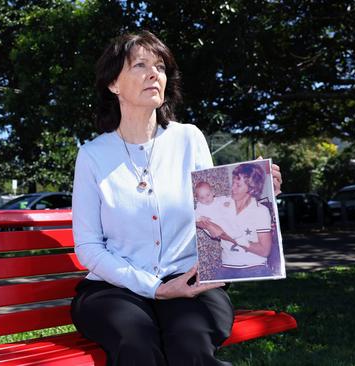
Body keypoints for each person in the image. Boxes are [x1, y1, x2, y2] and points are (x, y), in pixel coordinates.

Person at [70, 30, 282, 365]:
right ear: (113, 84)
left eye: (160, 66)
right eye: (140, 65)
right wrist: (153, 288)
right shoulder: (94, 156)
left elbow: (217, 216)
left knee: (190, 342)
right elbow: (88, 247)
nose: (154, 73)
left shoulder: (189, 139)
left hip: (190, 281)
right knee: (136, 342)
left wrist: (257, 194)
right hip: (115, 289)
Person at [198, 163, 274, 279]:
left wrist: (226, 236)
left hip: (254, 267)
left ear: (251, 188)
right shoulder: (224, 202)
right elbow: (197, 216)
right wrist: (207, 225)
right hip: (227, 266)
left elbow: (265, 251)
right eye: (233, 183)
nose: (232, 188)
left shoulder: (261, 211)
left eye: (238, 185)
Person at [194, 181, 239, 247]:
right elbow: (194, 215)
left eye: (208, 195)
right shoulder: (200, 206)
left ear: (213, 193)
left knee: (230, 218)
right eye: (202, 197)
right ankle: (233, 239)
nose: (206, 199)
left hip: (223, 219)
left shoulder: (218, 200)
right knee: (224, 229)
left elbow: (228, 198)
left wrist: (228, 202)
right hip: (214, 225)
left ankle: (236, 235)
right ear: (197, 199)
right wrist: (200, 218)